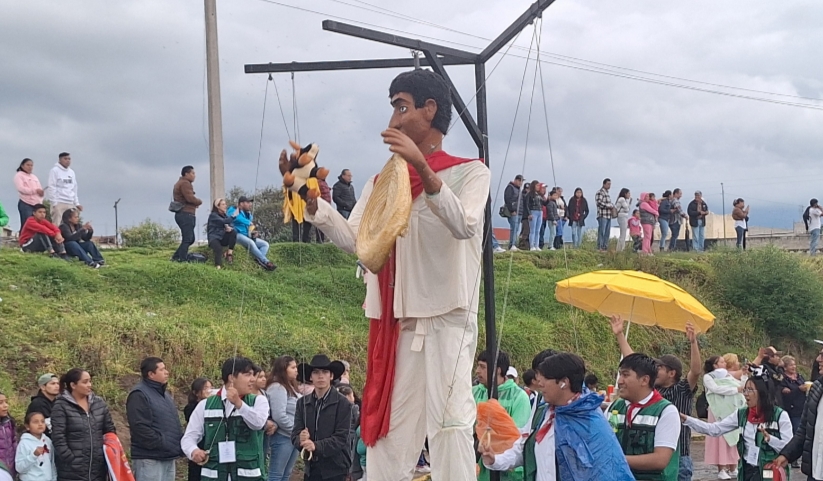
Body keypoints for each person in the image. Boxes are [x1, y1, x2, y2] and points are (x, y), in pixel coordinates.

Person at [303, 68, 490, 481]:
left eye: (401, 107)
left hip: (448, 315)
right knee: (388, 430)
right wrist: (314, 204)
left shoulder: (469, 172)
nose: (393, 121)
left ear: (430, 109)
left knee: (450, 422)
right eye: (393, 109)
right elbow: (359, 242)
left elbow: (465, 225)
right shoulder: (380, 182)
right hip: (396, 319)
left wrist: (422, 167)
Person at [481, 353, 634, 481]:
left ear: (563, 383)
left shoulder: (589, 420)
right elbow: (524, 448)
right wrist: (495, 459)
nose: (539, 384)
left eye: (544, 379)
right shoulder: (543, 413)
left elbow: (606, 470)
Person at [610, 315, 703, 481]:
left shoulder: (681, 389)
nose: (656, 370)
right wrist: (620, 335)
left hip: (678, 455)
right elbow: (635, 366)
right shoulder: (650, 389)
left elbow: (695, 371)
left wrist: (693, 342)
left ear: (671, 373)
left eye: (660, 368)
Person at [683, 371, 793, 481]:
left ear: (762, 392)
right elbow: (715, 429)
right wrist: (686, 419)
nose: (745, 394)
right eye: (745, 389)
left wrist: (771, 439)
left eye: (750, 390)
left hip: (769, 470)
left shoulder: (780, 416)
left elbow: (789, 449)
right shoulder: (742, 414)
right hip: (746, 470)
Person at [181, 357, 270, 481]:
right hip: (214, 475)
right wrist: (193, 451)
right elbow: (189, 437)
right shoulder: (205, 405)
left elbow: (258, 424)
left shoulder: (259, 401)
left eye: (253, 375)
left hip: (248, 475)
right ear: (231, 377)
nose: (253, 379)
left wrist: (239, 404)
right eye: (247, 375)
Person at [609, 353, 681, 481]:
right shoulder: (615, 407)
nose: (619, 381)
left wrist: (616, 459)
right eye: (620, 375)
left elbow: (660, 460)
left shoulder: (666, 411)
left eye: (625, 375)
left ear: (644, 380)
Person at [292, 354, 352, 481]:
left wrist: (316, 446)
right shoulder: (302, 403)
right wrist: (300, 439)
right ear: (310, 377)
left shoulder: (343, 403)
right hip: (311, 468)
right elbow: (294, 435)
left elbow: (341, 438)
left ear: (331, 376)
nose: (320, 376)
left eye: (325, 372)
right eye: (316, 372)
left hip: (336, 469)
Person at [473, 350, 531, 481]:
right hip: (480, 467)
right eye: (478, 366)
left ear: (498, 370)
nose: (477, 371)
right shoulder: (473, 393)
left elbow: (515, 436)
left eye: (482, 367)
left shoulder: (518, 396)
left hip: (509, 471)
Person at [51, 368, 116, 481]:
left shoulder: (99, 403)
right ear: (73, 385)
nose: (89, 385)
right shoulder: (61, 405)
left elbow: (109, 430)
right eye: (85, 382)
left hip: (98, 468)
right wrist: (70, 458)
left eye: (90, 381)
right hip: (72, 471)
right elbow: (58, 437)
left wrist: (107, 454)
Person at [126, 357, 183, 481]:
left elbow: (173, 422)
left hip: (167, 456)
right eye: (162, 370)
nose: (166, 372)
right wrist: (162, 443)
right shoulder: (139, 394)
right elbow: (140, 427)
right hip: (149, 458)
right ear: (151, 374)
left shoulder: (164, 395)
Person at [774, 348, 823, 479]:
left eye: (822, 355)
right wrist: (787, 454)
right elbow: (804, 430)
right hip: (815, 472)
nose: (818, 359)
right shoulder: (817, 388)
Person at [703, 355, 746, 479]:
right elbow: (716, 389)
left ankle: (733, 467)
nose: (724, 363)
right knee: (720, 439)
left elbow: (740, 385)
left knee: (733, 436)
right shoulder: (708, 377)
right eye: (721, 362)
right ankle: (721, 468)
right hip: (718, 412)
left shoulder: (727, 375)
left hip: (731, 409)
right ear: (715, 365)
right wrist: (735, 390)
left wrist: (744, 375)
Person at [267, 356, 301, 481]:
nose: (296, 370)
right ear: (283, 369)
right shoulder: (277, 387)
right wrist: (295, 431)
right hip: (283, 436)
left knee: (286, 474)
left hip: (292, 437)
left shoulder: (291, 387)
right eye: (292, 367)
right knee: (276, 474)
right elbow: (279, 415)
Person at [228, 196, 276, 271]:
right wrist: (248, 222)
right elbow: (235, 218)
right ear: (241, 203)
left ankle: (258, 260)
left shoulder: (248, 214)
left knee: (265, 244)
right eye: (247, 202)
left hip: (246, 236)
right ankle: (266, 262)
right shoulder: (233, 209)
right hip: (236, 235)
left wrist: (253, 233)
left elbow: (249, 227)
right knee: (251, 243)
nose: (250, 204)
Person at [171, 165, 203, 262]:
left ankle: (176, 256)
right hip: (186, 214)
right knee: (188, 238)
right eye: (192, 173)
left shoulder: (180, 183)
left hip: (183, 213)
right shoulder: (185, 183)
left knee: (190, 238)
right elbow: (190, 198)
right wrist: (198, 201)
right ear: (186, 174)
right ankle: (182, 259)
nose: (194, 176)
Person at [183, 377, 212, 481]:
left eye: (210, 387)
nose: (209, 390)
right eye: (205, 388)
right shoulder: (191, 408)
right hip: (198, 445)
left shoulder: (212, 406)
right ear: (196, 392)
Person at [15, 412, 56, 481]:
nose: (40, 424)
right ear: (27, 426)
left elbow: (52, 463)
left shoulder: (47, 440)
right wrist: (33, 455)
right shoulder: (24, 443)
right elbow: (19, 468)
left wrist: (54, 478)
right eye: (35, 422)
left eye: (42, 421)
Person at [47, 153, 81, 228]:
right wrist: (54, 202)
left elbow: (74, 187)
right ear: (60, 160)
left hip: (70, 201)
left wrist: (76, 203)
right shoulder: (54, 171)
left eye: (69, 159)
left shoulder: (71, 172)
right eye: (65, 159)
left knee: (71, 224)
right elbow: (52, 186)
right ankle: (56, 239)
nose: (68, 161)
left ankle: (70, 238)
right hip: (59, 201)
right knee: (57, 224)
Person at [778, 356, 807, 444]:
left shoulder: (799, 376)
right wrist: (799, 389)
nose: (794, 367)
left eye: (794, 365)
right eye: (791, 365)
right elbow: (785, 394)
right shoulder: (782, 379)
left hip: (803, 409)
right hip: (792, 410)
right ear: (785, 367)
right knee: (796, 434)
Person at [15, 159, 44, 234]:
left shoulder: (34, 177)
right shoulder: (19, 175)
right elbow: (21, 189)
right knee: (26, 224)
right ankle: (23, 242)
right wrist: (35, 190)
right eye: (28, 165)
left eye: (31, 165)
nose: (30, 167)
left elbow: (39, 188)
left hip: (36, 204)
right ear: (22, 165)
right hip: (26, 203)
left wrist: (41, 194)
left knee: (37, 224)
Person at [207, 198, 237, 269]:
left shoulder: (225, 215)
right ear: (217, 206)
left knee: (233, 232)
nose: (225, 206)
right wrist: (234, 215)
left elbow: (230, 224)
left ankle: (229, 254)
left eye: (225, 204)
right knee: (218, 249)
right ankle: (218, 266)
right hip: (214, 237)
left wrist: (229, 228)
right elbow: (224, 221)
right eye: (223, 204)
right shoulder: (213, 215)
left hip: (222, 237)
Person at [504, 175, 525, 251]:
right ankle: (512, 244)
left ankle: (514, 244)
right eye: (519, 181)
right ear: (515, 180)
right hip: (514, 211)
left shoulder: (518, 189)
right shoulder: (510, 187)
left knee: (516, 229)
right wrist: (512, 210)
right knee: (514, 228)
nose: (521, 183)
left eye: (522, 181)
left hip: (519, 211)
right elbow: (507, 199)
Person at [595, 178, 615, 252]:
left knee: (607, 232)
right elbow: (599, 203)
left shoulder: (607, 193)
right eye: (608, 184)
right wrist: (608, 206)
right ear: (604, 184)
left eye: (610, 184)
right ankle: (599, 246)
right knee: (602, 232)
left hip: (608, 215)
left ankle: (605, 247)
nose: (609, 185)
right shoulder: (600, 192)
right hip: (602, 215)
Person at [0, 393, 15, 479]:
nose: (6, 405)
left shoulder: (8, 422)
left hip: (10, 468)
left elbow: (14, 442)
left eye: (6, 402)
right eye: (1, 403)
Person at [526, 180, 544, 251]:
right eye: (537, 185)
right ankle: (532, 245)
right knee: (532, 230)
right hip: (533, 211)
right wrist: (529, 213)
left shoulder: (539, 195)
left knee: (538, 230)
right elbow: (527, 204)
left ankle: (537, 245)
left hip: (540, 211)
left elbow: (543, 203)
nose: (538, 187)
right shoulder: (529, 194)